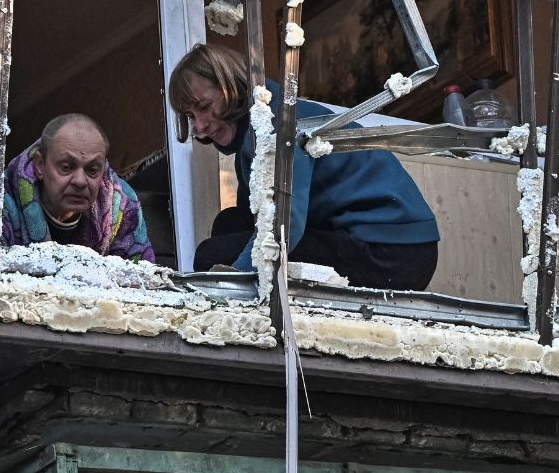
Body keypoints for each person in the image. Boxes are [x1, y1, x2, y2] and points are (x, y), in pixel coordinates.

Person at [168, 43, 438, 290]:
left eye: (204, 107)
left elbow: (282, 228)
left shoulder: (280, 126)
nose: (200, 125)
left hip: (394, 253)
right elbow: (252, 222)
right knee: (230, 224)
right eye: (191, 116)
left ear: (234, 86)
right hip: (376, 242)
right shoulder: (253, 143)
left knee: (212, 256)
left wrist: (230, 284)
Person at [2, 113, 156, 262]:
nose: (80, 181)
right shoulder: (1, 206)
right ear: (40, 166)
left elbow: (142, 277)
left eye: (92, 170)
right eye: (67, 167)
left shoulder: (122, 206)